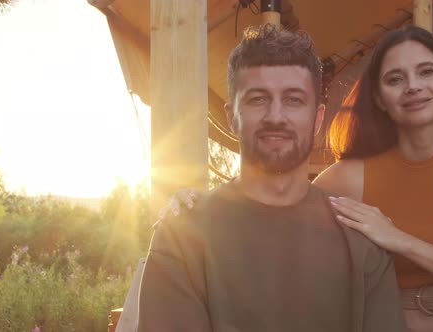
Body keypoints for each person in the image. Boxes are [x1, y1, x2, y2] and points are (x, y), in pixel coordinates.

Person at [162, 25, 433, 332]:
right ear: (380, 98)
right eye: (395, 79)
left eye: (427, 72)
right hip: (383, 322)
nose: (413, 86)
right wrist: (197, 204)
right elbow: (275, 203)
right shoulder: (347, 178)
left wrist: (400, 240)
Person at [137, 24, 407, 332]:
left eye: (293, 100)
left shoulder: (361, 242)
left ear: (318, 118)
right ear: (231, 116)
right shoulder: (182, 236)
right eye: (257, 99)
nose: (276, 116)